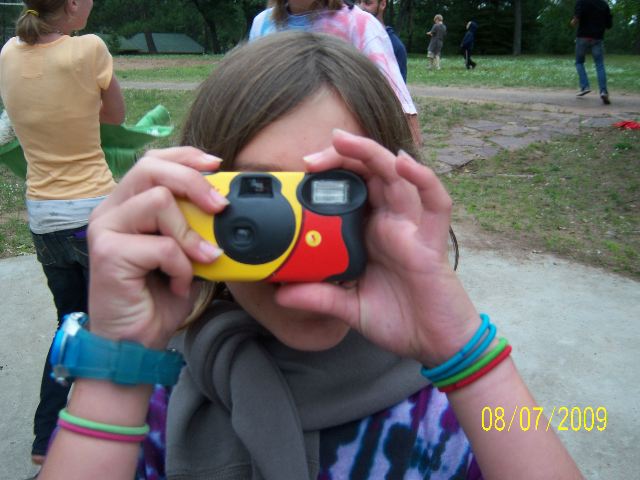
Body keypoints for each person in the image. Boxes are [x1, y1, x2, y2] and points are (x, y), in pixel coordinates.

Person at [38, 32, 582, 480]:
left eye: (338, 197)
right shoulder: (150, 394)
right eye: (260, 201)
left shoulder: (451, 405)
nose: (306, 250)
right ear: (191, 201)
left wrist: (463, 350)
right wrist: (119, 360)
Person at [0, 0, 125, 466]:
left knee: (71, 322)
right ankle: (102, 437)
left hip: (44, 218)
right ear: (71, 4)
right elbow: (115, 115)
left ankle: (45, 435)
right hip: (93, 214)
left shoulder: (8, 52)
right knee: (108, 327)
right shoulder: (89, 49)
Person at [249, 0, 422, 146]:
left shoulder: (359, 24)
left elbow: (399, 106)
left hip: (341, 152)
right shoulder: (262, 23)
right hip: (276, 150)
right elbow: (250, 97)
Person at [570, 0, 613, 104]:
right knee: (599, 64)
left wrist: (572, 22)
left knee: (579, 62)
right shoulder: (603, 4)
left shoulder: (581, 2)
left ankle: (585, 86)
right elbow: (609, 25)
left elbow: (576, 19)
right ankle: (603, 91)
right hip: (597, 38)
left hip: (582, 37)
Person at [356, 0, 408, 82]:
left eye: (368, 3)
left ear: (382, 4)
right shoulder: (349, 37)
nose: (361, 7)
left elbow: (396, 89)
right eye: (358, 2)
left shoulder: (395, 47)